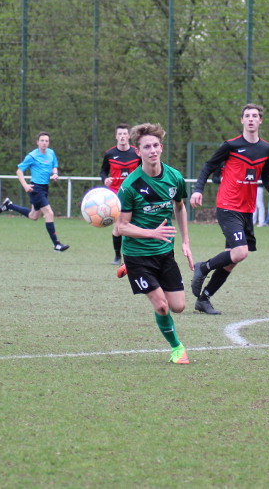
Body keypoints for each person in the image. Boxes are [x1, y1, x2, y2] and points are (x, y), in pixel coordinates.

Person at [190, 103, 269, 315]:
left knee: (231, 259)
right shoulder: (230, 146)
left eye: (255, 116)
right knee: (240, 252)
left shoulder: (266, 149)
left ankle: (204, 299)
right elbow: (208, 166)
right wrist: (198, 189)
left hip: (247, 210)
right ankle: (203, 267)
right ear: (242, 120)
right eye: (247, 116)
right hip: (228, 206)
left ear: (260, 121)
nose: (251, 119)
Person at [116, 122, 193, 364]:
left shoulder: (174, 178)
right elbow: (120, 227)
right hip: (137, 254)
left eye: (156, 145)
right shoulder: (129, 186)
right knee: (161, 305)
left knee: (178, 306)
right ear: (137, 152)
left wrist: (186, 242)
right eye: (146, 147)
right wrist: (151, 233)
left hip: (164, 253)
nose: (152, 150)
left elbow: (180, 207)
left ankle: (133, 272)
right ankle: (177, 348)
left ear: (161, 147)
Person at [0, 131, 69, 252]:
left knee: (33, 216)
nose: (44, 143)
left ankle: (9, 205)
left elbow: (54, 166)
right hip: (35, 189)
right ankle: (57, 244)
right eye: (42, 140)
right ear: (37, 142)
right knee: (49, 214)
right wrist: (25, 185)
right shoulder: (32, 156)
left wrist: (55, 174)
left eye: (46, 141)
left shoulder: (51, 153)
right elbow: (19, 171)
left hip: (45, 188)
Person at [99, 123, 141, 265]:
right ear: (116, 136)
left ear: (129, 136)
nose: (122, 136)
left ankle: (136, 254)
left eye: (125, 134)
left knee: (136, 224)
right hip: (115, 195)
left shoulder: (137, 152)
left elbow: (144, 170)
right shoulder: (110, 154)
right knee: (118, 226)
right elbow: (103, 171)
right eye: (120, 134)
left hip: (134, 193)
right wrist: (106, 179)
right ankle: (118, 256)